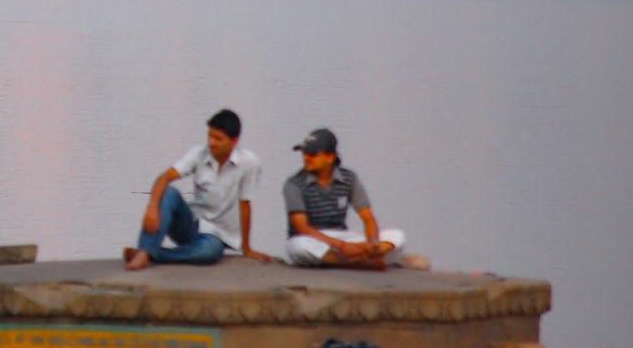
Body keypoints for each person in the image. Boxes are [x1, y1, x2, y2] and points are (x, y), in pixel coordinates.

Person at [122, 109, 268, 271]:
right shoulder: (199, 154)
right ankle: (144, 251)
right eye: (209, 136)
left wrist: (246, 249)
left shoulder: (249, 163)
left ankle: (152, 253)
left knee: (209, 252)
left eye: (218, 138)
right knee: (169, 192)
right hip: (191, 223)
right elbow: (164, 177)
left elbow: (245, 205)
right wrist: (152, 207)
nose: (211, 142)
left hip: (216, 235)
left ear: (234, 141)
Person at [283, 128, 420, 270]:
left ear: (330, 157)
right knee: (297, 247)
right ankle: (355, 261)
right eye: (304, 153)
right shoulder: (294, 184)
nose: (306, 158)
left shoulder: (349, 179)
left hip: (343, 236)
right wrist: (341, 246)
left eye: (313, 154)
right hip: (313, 239)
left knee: (397, 235)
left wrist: (372, 243)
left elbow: (367, 217)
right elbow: (302, 227)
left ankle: (367, 256)